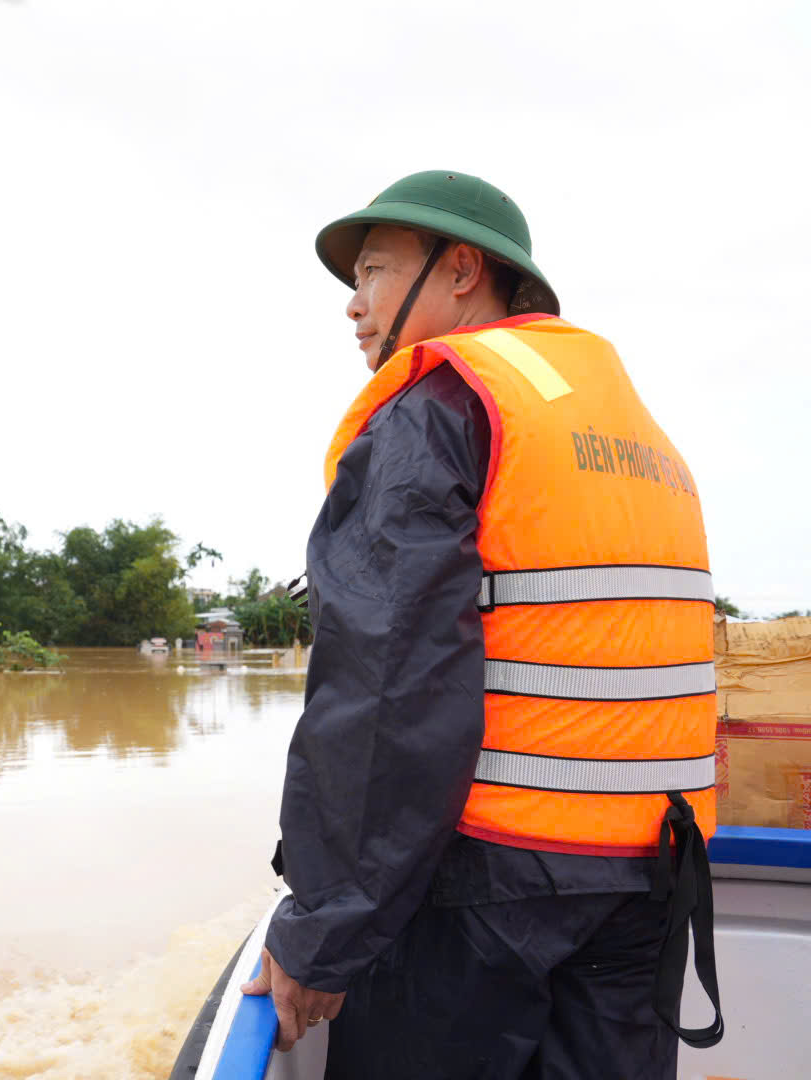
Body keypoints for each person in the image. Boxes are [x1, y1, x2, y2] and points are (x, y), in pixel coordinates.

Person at [239, 171, 722, 1078]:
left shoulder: (443, 407)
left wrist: (325, 931)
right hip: (650, 877)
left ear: (462, 270)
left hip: (490, 889)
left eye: (375, 271)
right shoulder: (634, 434)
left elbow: (386, 690)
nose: (353, 306)